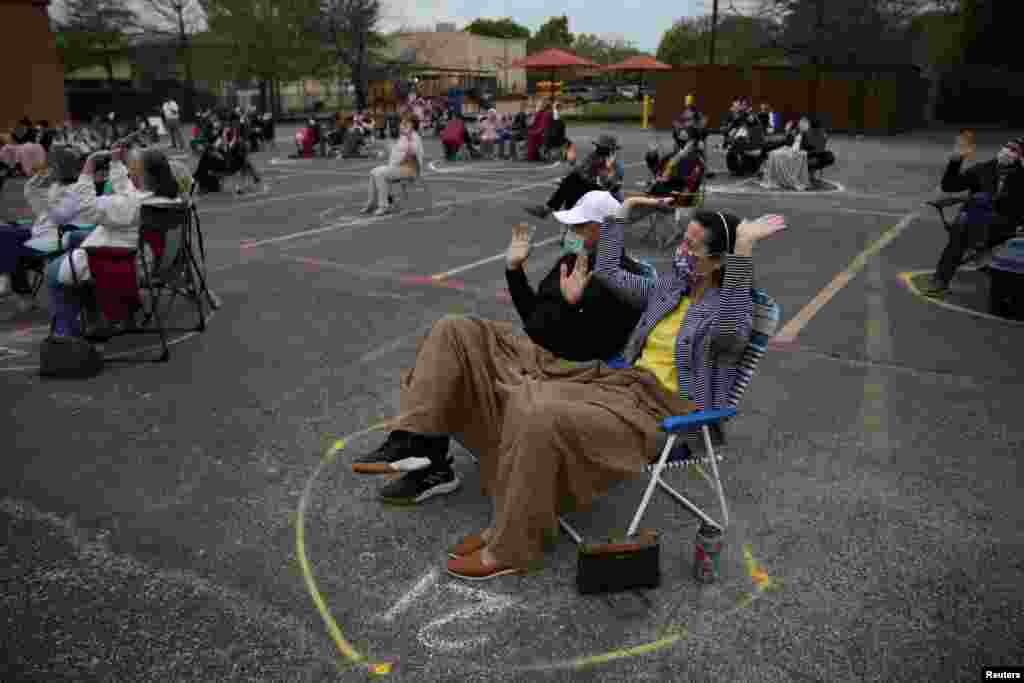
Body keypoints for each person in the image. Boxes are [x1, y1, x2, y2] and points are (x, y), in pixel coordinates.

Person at [352, 190, 786, 579]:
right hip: (620, 383)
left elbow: (729, 331)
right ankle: (499, 517)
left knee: (539, 412)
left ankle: (510, 547)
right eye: (683, 241)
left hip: (667, 411)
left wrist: (743, 252)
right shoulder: (671, 287)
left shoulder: (730, 313)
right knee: (521, 390)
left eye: (691, 247)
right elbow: (612, 271)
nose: (681, 251)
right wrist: (624, 212)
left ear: (719, 261)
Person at [45, 147, 182, 337]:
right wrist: (116, 163)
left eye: (132, 167)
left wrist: (87, 170)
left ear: (143, 175)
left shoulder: (129, 205)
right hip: (145, 257)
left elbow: (87, 208)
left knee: (52, 271)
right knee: (77, 239)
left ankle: (65, 333)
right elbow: (128, 190)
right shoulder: (167, 198)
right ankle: (100, 317)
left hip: (118, 259)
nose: (130, 170)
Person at [921, 135, 1024, 297]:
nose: (1008, 152)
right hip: (973, 222)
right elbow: (949, 185)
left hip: (1004, 226)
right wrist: (956, 159)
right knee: (962, 230)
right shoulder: (982, 170)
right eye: (1008, 147)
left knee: (967, 225)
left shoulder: (1020, 176)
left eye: (1015, 151)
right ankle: (940, 281)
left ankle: (986, 261)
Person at [0, 146, 98, 309]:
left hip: (60, 238)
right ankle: (12, 282)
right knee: (4, 232)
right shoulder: (57, 186)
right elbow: (41, 212)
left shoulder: (78, 189)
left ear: (63, 167)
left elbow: (59, 217)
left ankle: (14, 284)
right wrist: (32, 187)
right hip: (45, 232)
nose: (51, 169)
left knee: (9, 239)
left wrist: (46, 203)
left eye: (54, 166)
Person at [524, 134, 621, 219]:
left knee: (571, 184)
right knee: (570, 186)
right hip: (588, 186)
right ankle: (564, 225)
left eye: (600, 147)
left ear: (606, 149)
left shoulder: (612, 163)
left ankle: (548, 210)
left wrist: (605, 171)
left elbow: (610, 185)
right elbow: (581, 169)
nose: (597, 148)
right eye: (598, 146)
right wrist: (570, 169)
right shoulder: (593, 156)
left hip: (600, 193)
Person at [361, 115, 424, 216]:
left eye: (404, 123)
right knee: (373, 171)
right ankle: (372, 203)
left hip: (409, 169)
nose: (401, 125)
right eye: (402, 123)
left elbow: (413, 154)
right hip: (398, 168)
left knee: (380, 174)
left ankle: (384, 206)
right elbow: (395, 152)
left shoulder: (414, 137)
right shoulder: (403, 137)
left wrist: (408, 139)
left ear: (411, 125)